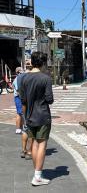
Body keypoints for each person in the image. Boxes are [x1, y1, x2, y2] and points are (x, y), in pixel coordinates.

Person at [20, 52, 54, 186]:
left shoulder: (24, 78)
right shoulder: (45, 78)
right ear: (43, 63)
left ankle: (37, 173)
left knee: (33, 143)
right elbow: (50, 100)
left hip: (29, 116)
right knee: (42, 144)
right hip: (43, 116)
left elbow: (23, 101)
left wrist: (25, 117)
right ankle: (37, 177)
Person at [13, 67, 23, 134]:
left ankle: (21, 127)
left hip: (19, 97)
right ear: (18, 72)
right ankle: (18, 128)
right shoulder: (17, 79)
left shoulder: (19, 78)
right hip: (18, 97)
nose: (23, 71)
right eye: (22, 70)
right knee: (19, 113)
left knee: (21, 113)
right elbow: (18, 90)